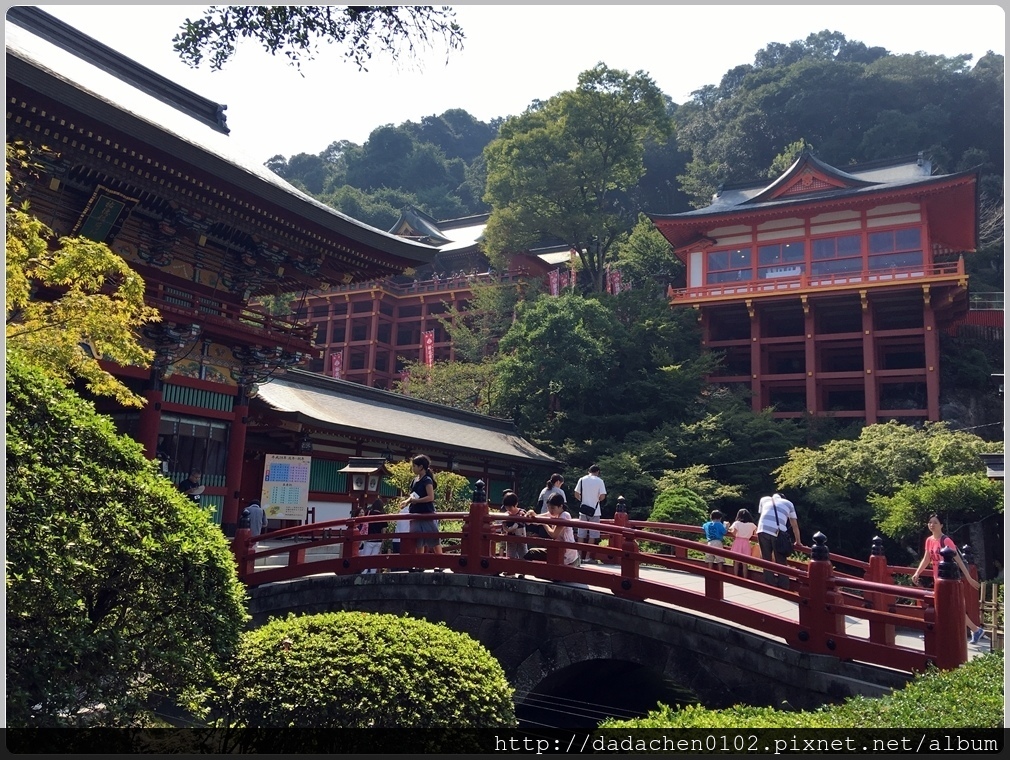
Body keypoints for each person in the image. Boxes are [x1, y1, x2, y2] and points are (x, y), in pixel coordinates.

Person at [911, 514, 984, 643]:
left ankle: (937, 631)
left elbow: (959, 560)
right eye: (930, 522)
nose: (931, 525)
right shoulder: (929, 540)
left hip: (950, 580)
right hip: (938, 579)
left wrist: (968, 577)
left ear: (941, 525)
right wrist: (917, 572)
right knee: (945, 606)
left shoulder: (946, 540)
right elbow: (927, 558)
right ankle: (975, 630)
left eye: (935, 522)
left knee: (948, 606)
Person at [401, 454, 443, 568]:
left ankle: (441, 562)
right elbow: (412, 495)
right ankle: (419, 564)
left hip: (426, 513)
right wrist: (407, 501)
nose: (413, 468)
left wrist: (416, 501)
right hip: (415, 513)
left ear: (421, 467)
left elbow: (431, 497)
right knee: (417, 540)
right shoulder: (415, 480)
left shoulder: (427, 480)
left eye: (414, 466)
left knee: (433, 539)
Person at [756, 492, 801, 589]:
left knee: (766, 559)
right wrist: (798, 541)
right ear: (783, 498)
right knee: (781, 561)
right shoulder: (788, 503)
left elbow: (763, 515)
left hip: (762, 530)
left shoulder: (764, 499)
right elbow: (794, 525)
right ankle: (784, 586)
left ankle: (770, 584)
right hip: (778, 533)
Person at [529, 492, 580, 567]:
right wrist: (531, 513)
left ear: (560, 506)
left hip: (567, 556)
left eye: (552, 508)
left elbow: (554, 535)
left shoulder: (564, 515)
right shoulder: (554, 513)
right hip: (558, 551)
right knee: (531, 553)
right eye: (548, 507)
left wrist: (544, 523)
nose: (550, 510)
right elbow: (537, 519)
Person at [573, 465, 606, 562]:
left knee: (581, 534)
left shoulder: (582, 479)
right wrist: (596, 500)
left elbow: (576, 493)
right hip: (595, 511)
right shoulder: (600, 481)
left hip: (583, 510)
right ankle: (587, 557)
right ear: (598, 472)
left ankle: (578, 556)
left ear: (589, 471)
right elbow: (602, 496)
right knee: (593, 534)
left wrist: (582, 500)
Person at [500, 492, 528, 577]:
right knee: (510, 553)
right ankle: (510, 570)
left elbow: (525, 520)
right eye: (506, 507)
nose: (508, 509)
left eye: (510, 506)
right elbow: (503, 525)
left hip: (520, 535)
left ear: (516, 504)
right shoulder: (506, 515)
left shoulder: (521, 513)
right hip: (510, 536)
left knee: (522, 553)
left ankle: (523, 571)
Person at [360, 497, 387, 574]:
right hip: (378, 539)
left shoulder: (369, 513)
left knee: (366, 556)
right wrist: (383, 540)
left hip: (369, 538)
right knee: (374, 558)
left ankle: (364, 572)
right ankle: (373, 573)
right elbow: (384, 529)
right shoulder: (383, 515)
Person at [728, 508, 758, 577]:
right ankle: (745, 577)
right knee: (745, 563)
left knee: (736, 562)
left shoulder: (737, 523)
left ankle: (735, 576)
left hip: (738, 542)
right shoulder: (751, 525)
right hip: (746, 542)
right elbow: (756, 533)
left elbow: (733, 532)